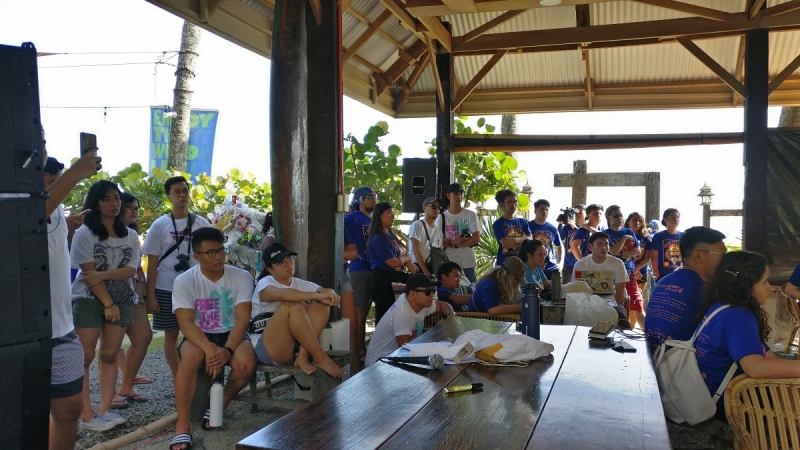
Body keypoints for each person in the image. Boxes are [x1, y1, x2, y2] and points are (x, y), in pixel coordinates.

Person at [170, 227, 256, 450]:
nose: (219, 256)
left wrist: (226, 350)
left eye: (221, 250)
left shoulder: (241, 276)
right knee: (189, 359)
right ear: (196, 256)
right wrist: (209, 350)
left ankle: (221, 402)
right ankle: (182, 426)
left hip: (231, 332)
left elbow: (243, 317)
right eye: (211, 253)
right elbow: (186, 322)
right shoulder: (184, 280)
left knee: (246, 364)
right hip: (199, 334)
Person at [42, 137, 102, 449]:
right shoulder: (19, 191)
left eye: (42, 140)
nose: (39, 147)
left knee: (69, 408)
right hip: (22, 333)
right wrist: (76, 173)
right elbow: (24, 215)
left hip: (62, 328)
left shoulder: (53, 201)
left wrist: (64, 225)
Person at [694, 251, 800, 421]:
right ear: (746, 285)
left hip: (711, 391)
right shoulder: (739, 316)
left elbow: (769, 356)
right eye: (764, 281)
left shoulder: (723, 306)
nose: (769, 287)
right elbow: (756, 368)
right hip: (730, 401)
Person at [70, 180, 140, 431]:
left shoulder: (130, 234)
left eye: (117, 199)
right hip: (89, 299)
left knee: (110, 353)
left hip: (122, 297)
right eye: (107, 199)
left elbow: (131, 269)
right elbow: (88, 274)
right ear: (96, 203)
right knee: (85, 356)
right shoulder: (84, 233)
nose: (114, 204)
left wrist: (103, 275)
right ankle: (86, 414)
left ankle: (105, 410)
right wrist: (108, 302)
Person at [142, 176, 211, 379]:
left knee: (201, 332)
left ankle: (199, 373)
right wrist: (150, 295)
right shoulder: (159, 225)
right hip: (166, 287)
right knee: (171, 334)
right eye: (176, 192)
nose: (182, 195)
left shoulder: (201, 223)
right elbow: (152, 263)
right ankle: (178, 376)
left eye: (184, 190)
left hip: (196, 288)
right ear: (168, 196)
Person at [251, 242, 345, 378]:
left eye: (289, 259)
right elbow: (280, 294)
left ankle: (302, 356)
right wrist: (317, 295)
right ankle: (320, 357)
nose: (288, 264)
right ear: (270, 269)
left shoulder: (298, 283)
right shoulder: (265, 283)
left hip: (293, 345)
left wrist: (329, 295)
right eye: (280, 262)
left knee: (321, 303)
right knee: (292, 304)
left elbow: (326, 291)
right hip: (268, 348)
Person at [645, 226, 727, 350]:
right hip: (683, 364)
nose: (725, 260)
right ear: (698, 256)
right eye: (721, 254)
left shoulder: (664, 281)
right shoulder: (704, 290)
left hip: (655, 358)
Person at [364, 274, 455, 367]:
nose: (432, 294)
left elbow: (443, 305)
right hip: (378, 363)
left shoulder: (420, 304)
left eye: (432, 290)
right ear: (412, 294)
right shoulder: (401, 311)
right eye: (427, 291)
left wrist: (451, 316)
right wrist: (435, 332)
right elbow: (405, 346)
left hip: (394, 358)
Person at [115, 193, 153, 405]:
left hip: (135, 286)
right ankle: (110, 395)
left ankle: (126, 384)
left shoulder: (132, 233)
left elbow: (138, 267)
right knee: (111, 345)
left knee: (143, 337)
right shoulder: (104, 232)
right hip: (114, 289)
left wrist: (146, 292)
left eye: (136, 207)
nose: (134, 210)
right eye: (128, 206)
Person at [369, 202, 418, 323]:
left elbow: (400, 256)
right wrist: (406, 258)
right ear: (379, 216)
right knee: (385, 318)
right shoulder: (379, 238)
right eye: (388, 213)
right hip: (383, 281)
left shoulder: (390, 236)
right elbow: (393, 262)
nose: (392, 216)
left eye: (393, 213)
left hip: (395, 279)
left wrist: (407, 261)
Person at [343, 186, 376, 365]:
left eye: (375, 196)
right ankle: (359, 351)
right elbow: (338, 230)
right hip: (358, 268)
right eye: (370, 196)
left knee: (366, 309)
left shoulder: (374, 220)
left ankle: (362, 350)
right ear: (359, 199)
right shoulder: (351, 219)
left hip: (374, 268)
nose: (374, 199)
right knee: (359, 312)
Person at [573, 232, 629, 326]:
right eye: (599, 244)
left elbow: (620, 292)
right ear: (590, 247)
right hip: (587, 303)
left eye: (606, 244)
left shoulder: (618, 263)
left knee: (623, 322)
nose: (604, 247)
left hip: (613, 302)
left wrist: (611, 307)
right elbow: (576, 290)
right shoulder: (580, 264)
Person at [603, 205, 644, 328]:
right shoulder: (605, 234)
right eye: (616, 216)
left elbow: (637, 251)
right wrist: (625, 239)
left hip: (629, 272)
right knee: (615, 302)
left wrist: (622, 253)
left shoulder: (629, 231)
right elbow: (613, 251)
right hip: (611, 274)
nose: (619, 218)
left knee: (636, 301)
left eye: (621, 215)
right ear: (608, 218)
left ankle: (644, 333)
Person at [441, 183, 481, 284]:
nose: (459, 196)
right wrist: (454, 242)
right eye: (456, 194)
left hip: (468, 263)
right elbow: (439, 241)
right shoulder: (442, 217)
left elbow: (476, 238)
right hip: (449, 263)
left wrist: (456, 244)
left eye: (460, 194)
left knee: (471, 291)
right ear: (448, 196)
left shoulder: (470, 215)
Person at [492, 189, 531, 266]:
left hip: (522, 263)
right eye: (510, 202)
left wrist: (514, 240)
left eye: (515, 202)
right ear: (501, 204)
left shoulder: (523, 222)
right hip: (504, 265)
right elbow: (506, 244)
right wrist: (523, 238)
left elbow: (530, 240)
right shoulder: (498, 224)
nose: (513, 205)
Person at [408, 196, 444, 275]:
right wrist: (425, 271)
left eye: (439, 207)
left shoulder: (438, 231)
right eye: (433, 206)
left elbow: (439, 252)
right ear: (424, 208)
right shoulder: (418, 225)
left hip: (433, 268)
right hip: (418, 268)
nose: (437, 209)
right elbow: (415, 249)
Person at [528, 199, 562, 279]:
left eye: (547, 210)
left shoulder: (552, 228)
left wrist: (560, 263)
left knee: (553, 290)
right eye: (542, 209)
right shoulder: (528, 226)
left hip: (550, 267)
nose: (545, 212)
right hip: (533, 267)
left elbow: (560, 246)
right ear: (535, 211)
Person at [650, 208, 682, 281]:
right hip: (664, 275)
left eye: (678, 217)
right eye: (673, 217)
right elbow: (653, 257)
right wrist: (657, 275)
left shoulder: (683, 236)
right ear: (665, 220)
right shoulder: (659, 236)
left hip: (680, 275)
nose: (676, 219)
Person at [625, 212, 652, 295]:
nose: (637, 223)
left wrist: (636, 270)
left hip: (641, 272)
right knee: (625, 297)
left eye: (640, 221)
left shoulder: (646, 238)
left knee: (637, 298)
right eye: (634, 220)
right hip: (625, 271)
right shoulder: (622, 235)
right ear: (628, 221)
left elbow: (647, 258)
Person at [559, 205, 582, 283]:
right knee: (566, 284)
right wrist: (560, 224)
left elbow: (582, 238)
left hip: (578, 262)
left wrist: (575, 227)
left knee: (578, 285)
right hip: (567, 262)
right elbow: (559, 237)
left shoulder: (582, 228)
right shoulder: (566, 228)